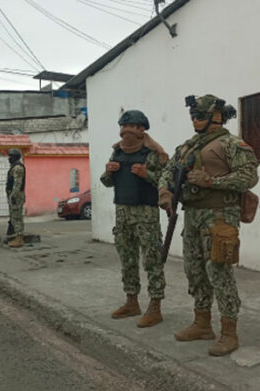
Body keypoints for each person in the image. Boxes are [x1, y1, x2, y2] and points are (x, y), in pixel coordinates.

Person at [158, 94, 259, 356]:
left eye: (200, 116)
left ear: (216, 116)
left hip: (219, 215)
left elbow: (249, 176)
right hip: (192, 214)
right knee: (194, 270)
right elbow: (167, 172)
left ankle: (229, 331)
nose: (195, 120)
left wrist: (211, 182)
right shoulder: (186, 147)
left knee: (218, 269)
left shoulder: (231, 144)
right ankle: (202, 323)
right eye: (192, 116)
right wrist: (165, 193)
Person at [100, 110, 169, 328]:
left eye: (132, 127)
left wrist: (146, 174)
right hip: (123, 213)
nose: (126, 131)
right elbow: (107, 182)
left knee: (152, 260)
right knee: (127, 260)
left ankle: (155, 306)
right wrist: (109, 172)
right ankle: (131, 301)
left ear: (142, 129)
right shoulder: (117, 152)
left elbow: (166, 182)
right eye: (124, 127)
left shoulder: (153, 153)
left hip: (146, 214)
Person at [5, 148, 26, 248]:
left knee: (16, 217)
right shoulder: (14, 167)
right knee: (15, 216)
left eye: (10, 156)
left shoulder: (17, 168)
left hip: (16, 195)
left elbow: (17, 184)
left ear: (15, 157)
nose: (8, 158)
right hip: (14, 195)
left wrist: (13, 196)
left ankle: (19, 238)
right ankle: (17, 236)